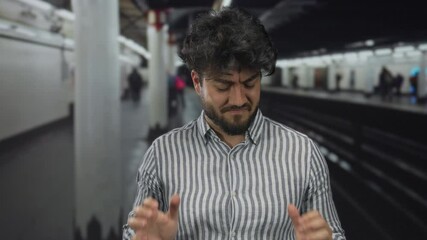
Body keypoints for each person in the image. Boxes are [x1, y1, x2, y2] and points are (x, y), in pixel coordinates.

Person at [124, 8, 345, 240]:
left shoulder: (304, 154)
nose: (239, 99)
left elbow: (334, 234)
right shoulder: (162, 155)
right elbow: (134, 233)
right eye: (223, 86)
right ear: (197, 83)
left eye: (250, 83)